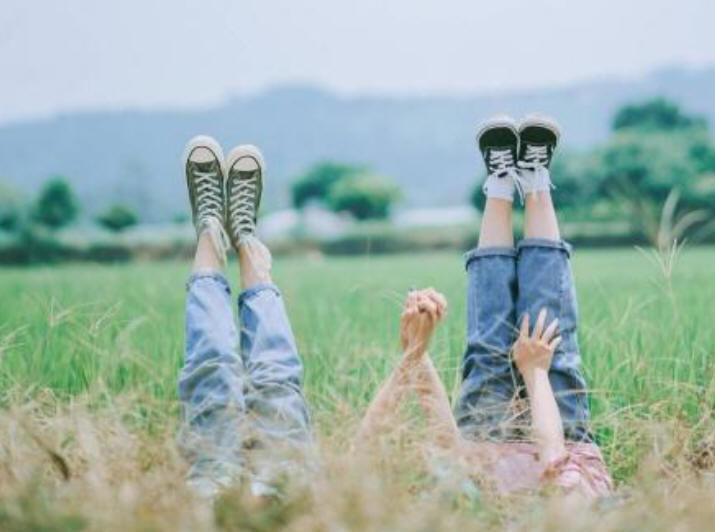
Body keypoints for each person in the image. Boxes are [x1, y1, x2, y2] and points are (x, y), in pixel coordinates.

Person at [357, 115, 612, 498]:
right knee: (549, 336)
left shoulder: (468, 512)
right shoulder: (568, 517)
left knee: (489, 346)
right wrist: (535, 372)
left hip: (484, 443)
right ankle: (535, 179)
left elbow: (450, 452)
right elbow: (556, 466)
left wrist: (416, 352)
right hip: (562, 436)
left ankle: (500, 185)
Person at [177, 136, 313, 498]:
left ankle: (210, 233)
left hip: (210, 489)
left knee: (211, 368)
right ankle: (245, 240)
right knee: (277, 381)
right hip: (284, 487)